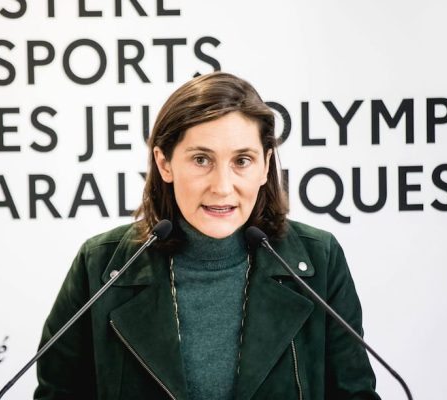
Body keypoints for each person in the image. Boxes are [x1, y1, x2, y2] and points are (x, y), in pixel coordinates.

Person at [34, 72, 379, 399]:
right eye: (201, 159)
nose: (222, 187)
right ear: (164, 163)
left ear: (265, 165)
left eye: (242, 160)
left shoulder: (319, 259)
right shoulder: (100, 265)